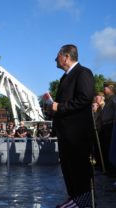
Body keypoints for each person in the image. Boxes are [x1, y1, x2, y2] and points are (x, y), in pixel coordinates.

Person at [51, 44, 95, 199]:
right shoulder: (65, 77)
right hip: (66, 134)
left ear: (66, 57)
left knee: (79, 172)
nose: (55, 59)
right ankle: (74, 204)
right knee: (69, 172)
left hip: (77, 135)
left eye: (57, 56)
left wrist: (60, 107)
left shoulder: (83, 73)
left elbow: (85, 98)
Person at [98, 81, 116, 176]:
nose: (104, 89)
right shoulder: (108, 100)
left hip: (110, 126)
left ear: (111, 88)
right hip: (105, 126)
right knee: (105, 148)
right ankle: (108, 169)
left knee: (110, 148)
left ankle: (112, 171)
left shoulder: (113, 99)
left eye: (105, 88)